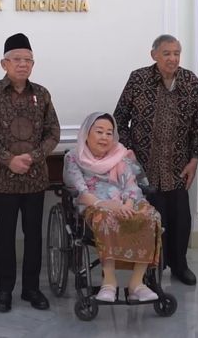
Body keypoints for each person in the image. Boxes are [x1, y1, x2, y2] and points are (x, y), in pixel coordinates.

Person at [0, 33, 60, 313]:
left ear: (33, 64)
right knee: (4, 236)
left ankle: (32, 289)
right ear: (4, 63)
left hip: (35, 179)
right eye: (17, 59)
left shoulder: (42, 93)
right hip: (3, 179)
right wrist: (7, 159)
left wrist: (33, 157)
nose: (23, 65)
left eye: (28, 60)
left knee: (34, 236)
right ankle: (4, 290)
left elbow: (53, 132)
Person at [113, 34, 198, 285]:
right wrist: (128, 154)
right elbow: (119, 119)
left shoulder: (191, 82)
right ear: (154, 55)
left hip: (177, 167)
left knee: (180, 221)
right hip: (144, 167)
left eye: (177, 53)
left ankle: (179, 265)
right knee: (150, 221)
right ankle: (151, 270)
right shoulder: (138, 79)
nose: (173, 58)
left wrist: (194, 160)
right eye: (167, 53)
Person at [64, 112, 162, 302]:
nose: (104, 137)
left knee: (151, 216)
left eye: (109, 133)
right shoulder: (74, 157)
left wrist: (127, 203)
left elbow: (132, 184)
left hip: (125, 201)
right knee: (106, 219)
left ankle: (136, 283)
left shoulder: (122, 155)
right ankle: (109, 282)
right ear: (86, 133)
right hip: (94, 203)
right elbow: (79, 189)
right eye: (99, 131)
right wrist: (106, 204)